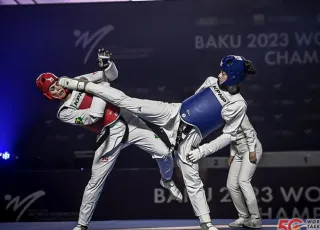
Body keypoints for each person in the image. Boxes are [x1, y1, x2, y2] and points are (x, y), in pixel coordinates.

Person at [57, 54, 259, 230]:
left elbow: (229, 135)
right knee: (128, 102)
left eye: (224, 73)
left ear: (233, 77)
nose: (220, 74)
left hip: (190, 139)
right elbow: (195, 101)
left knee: (192, 181)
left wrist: (202, 151)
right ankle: (79, 84)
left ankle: (206, 222)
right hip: (173, 112)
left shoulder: (238, 104)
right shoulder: (211, 80)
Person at [35, 51, 182, 230]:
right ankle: (82, 225)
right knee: (96, 180)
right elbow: (93, 117)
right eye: (52, 89)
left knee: (165, 152)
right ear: (49, 95)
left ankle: (166, 181)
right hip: (109, 135)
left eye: (57, 83)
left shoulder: (77, 80)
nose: (58, 88)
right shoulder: (63, 112)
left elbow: (111, 76)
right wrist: (101, 89)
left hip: (129, 120)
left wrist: (107, 65)